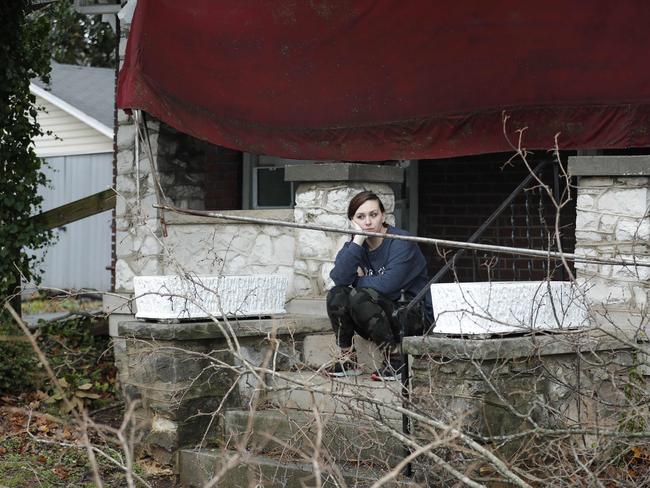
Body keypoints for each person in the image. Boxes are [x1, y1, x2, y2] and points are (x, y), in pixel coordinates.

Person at [326, 190, 433, 381]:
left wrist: (357, 280)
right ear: (352, 221)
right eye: (360, 217)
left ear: (383, 216)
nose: (367, 222)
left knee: (359, 295)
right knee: (337, 294)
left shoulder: (402, 242)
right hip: (377, 316)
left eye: (373, 215)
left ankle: (395, 359)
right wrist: (358, 240)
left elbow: (388, 286)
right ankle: (348, 358)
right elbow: (340, 279)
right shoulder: (356, 245)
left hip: (410, 315)